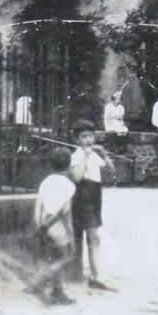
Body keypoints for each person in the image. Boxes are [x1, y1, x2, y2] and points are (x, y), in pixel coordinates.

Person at [67, 121, 113, 291]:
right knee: (89, 236)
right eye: (84, 137)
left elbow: (111, 172)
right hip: (82, 197)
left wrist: (105, 155)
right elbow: (77, 178)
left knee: (91, 237)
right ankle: (93, 275)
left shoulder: (95, 155)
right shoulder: (77, 155)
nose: (88, 140)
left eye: (90, 136)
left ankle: (90, 275)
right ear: (77, 140)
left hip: (94, 197)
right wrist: (85, 157)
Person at [31, 147, 77, 305]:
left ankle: (57, 291)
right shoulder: (69, 186)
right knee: (67, 256)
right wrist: (70, 235)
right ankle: (43, 279)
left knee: (52, 256)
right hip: (54, 225)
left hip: (42, 222)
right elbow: (62, 212)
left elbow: (40, 205)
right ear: (69, 166)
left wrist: (39, 225)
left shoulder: (46, 182)